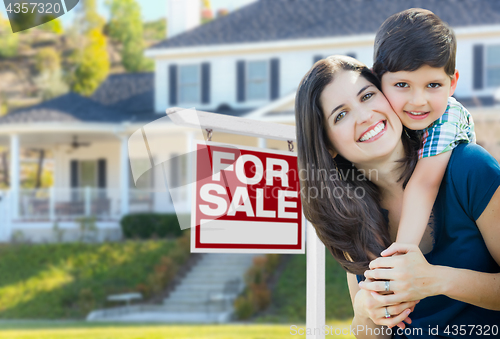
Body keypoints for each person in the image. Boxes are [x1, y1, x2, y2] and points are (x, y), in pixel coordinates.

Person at [295, 55, 500, 338]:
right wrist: (366, 310)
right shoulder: (349, 213)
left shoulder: (468, 167)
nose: (365, 116)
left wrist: (437, 280)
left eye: (367, 96)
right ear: (327, 145)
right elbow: (369, 331)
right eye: (340, 115)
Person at [373, 8, 475, 247]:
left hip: (457, 223)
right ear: (378, 80)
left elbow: (424, 185)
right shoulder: (384, 118)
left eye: (432, 84)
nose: (418, 101)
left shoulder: (449, 116)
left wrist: (401, 254)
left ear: (452, 84)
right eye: (402, 84)